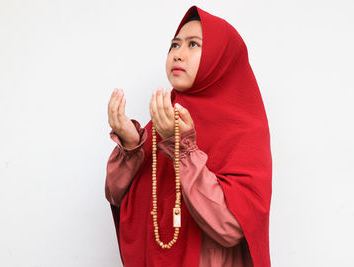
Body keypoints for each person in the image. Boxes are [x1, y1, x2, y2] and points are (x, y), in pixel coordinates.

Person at [105, 5, 272, 267]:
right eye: (174, 45)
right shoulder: (167, 115)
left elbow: (231, 227)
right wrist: (131, 144)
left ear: (221, 57)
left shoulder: (244, 126)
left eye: (193, 45)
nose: (178, 55)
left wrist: (183, 150)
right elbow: (115, 194)